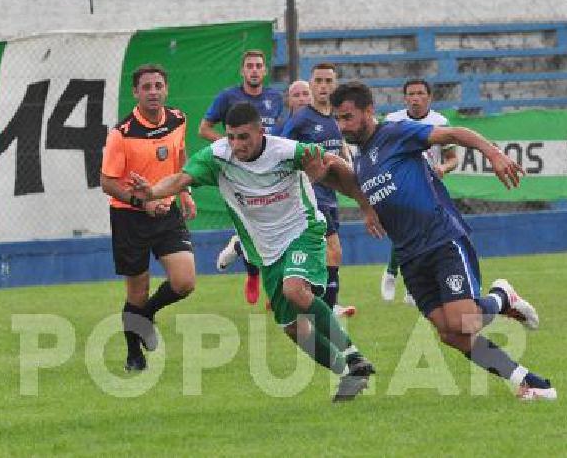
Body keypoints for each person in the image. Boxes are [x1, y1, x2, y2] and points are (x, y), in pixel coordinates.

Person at [129, 102, 385, 402]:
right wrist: (154, 192)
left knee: (294, 290)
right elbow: (181, 178)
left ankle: (354, 357)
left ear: (260, 132)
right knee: (291, 328)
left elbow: (335, 166)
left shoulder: (287, 151)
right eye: (232, 137)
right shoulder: (218, 157)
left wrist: (365, 205)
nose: (237, 144)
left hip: (302, 231)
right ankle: (348, 375)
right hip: (265, 249)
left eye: (244, 137)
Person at [327, 80, 554, 400]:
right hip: (409, 256)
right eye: (337, 118)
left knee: (465, 321)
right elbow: (364, 187)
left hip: (440, 239)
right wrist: (367, 208)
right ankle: (526, 380)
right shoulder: (360, 157)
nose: (342, 125)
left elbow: (455, 134)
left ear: (369, 111)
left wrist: (493, 153)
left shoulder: (395, 132)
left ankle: (502, 297)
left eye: (347, 116)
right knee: (450, 333)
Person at [99, 64, 198, 372]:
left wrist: (184, 192)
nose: (153, 92)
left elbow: (181, 156)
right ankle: (133, 356)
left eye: (158, 86)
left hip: (166, 211)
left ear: (166, 89)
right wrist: (143, 204)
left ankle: (145, 316)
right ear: (136, 92)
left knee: (184, 282)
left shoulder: (178, 119)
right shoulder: (122, 134)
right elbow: (106, 182)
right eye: (147, 87)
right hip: (130, 217)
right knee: (137, 291)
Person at [216, 79, 312, 311]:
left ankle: (319, 299)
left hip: (311, 184)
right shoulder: (283, 130)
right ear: (288, 100)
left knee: (327, 244)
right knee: (264, 234)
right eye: (296, 95)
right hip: (278, 191)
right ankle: (249, 260)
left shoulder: (326, 120)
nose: (301, 99)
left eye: (304, 94)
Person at [200, 49, 285, 305]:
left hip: (269, 170)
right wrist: (232, 148)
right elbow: (204, 129)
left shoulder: (275, 98)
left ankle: (242, 251)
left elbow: (275, 135)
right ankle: (253, 272)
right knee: (254, 223)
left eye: (259, 65)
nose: (255, 70)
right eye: (250, 66)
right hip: (239, 171)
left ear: (265, 70)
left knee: (271, 224)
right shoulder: (228, 97)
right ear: (242, 71)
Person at [279, 63, 356, 317]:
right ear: (311, 85)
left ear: (335, 85)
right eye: (319, 81)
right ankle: (329, 307)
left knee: (322, 253)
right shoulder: (302, 118)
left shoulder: (334, 117)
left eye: (328, 81)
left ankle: (311, 301)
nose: (323, 86)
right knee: (333, 250)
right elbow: (282, 150)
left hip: (330, 194)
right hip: (311, 195)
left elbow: (340, 148)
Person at [381, 79, 460, 304]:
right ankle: (391, 273)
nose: (415, 98)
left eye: (420, 93)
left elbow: (453, 159)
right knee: (406, 231)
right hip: (399, 186)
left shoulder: (440, 122)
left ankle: (405, 283)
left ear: (429, 97)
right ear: (405, 98)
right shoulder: (392, 121)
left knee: (423, 235)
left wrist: (443, 168)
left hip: (429, 186)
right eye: (411, 94)